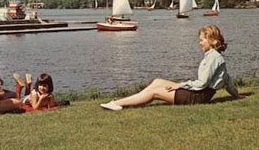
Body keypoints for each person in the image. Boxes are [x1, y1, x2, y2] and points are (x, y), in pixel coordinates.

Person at [100, 24, 239, 111]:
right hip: (198, 93)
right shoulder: (213, 56)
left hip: (198, 97)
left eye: (202, 40)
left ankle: (118, 103)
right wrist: (237, 95)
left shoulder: (213, 58)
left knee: (154, 93)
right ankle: (137, 100)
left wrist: (180, 85)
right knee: (157, 82)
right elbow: (227, 79)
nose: (199, 43)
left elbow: (202, 83)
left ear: (212, 41)